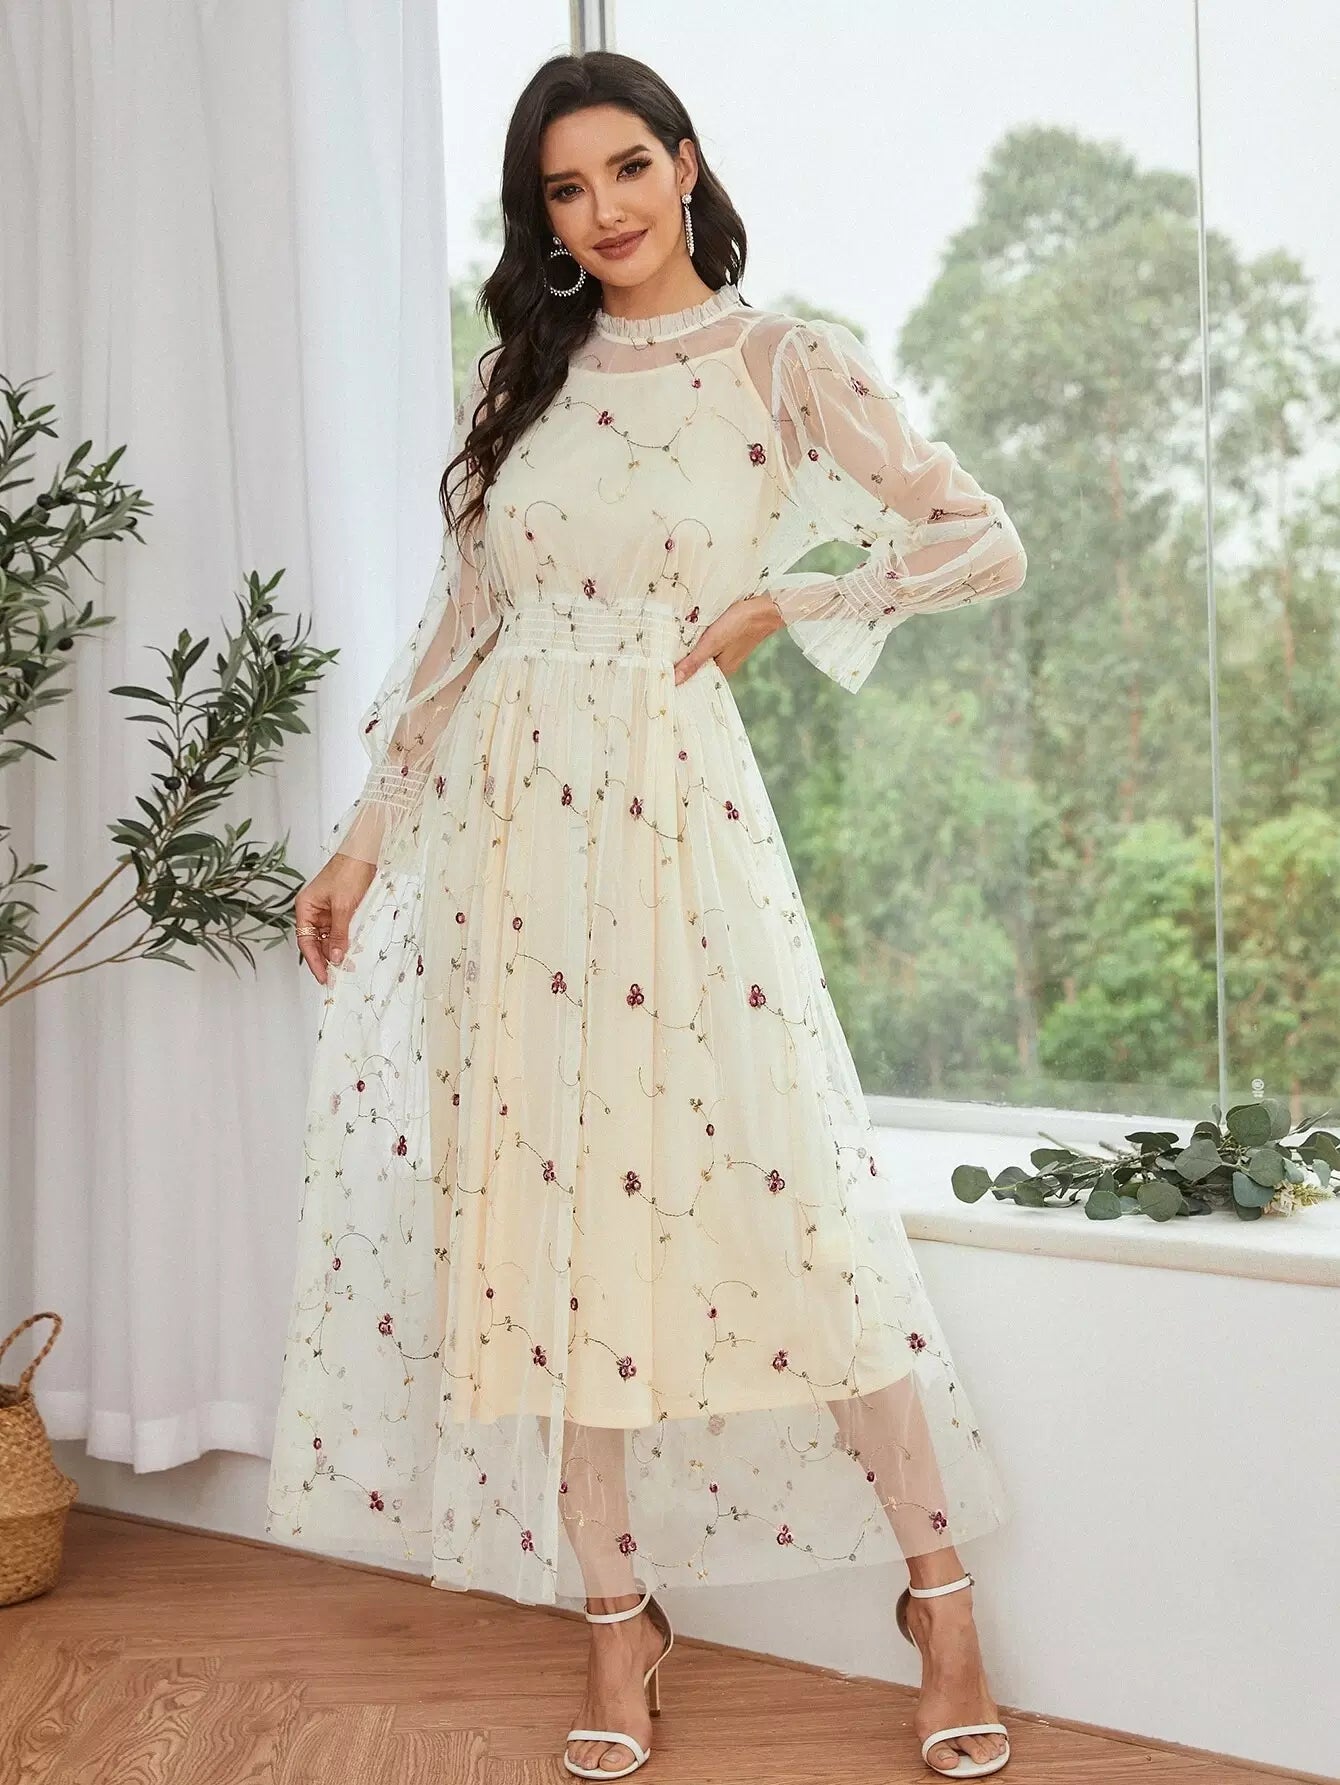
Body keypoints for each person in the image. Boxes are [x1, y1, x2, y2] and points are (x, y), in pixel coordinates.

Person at [266, 48, 1028, 1784]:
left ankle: (941, 1599)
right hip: (508, 845)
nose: (602, 209)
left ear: (686, 165)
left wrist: (786, 601)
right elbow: (457, 633)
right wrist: (364, 840)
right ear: (541, 216)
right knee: (542, 1225)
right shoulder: (518, 378)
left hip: (681, 824)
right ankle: (617, 1613)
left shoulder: (784, 362)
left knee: (798, 1206)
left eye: (626, 168)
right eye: (564, 187)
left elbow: (981, 538)